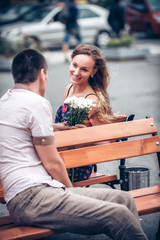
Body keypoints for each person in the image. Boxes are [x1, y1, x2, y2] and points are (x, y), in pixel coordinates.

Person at [0, 48, 148, 240]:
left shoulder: (6, 101)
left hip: (41, 190)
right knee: (118, 215)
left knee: (124, 198)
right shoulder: (36, 103)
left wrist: (54, 126)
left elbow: (21, 127)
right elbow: (53, 163)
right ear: (43, 74)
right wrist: (72, 193)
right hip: (30, 197)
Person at [55, 43, 127, 182]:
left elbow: (106, 141)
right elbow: (62, 124)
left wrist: (86, 135)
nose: (76, 73)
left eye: (84, 69)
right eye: (74, 65)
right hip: (60, 156)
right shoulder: (69, 88)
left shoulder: (91, 100)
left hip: (76, 166)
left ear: (93, 71)